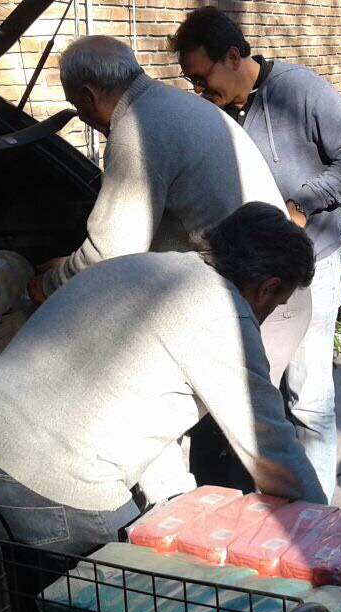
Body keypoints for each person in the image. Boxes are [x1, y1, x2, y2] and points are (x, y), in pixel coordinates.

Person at [0, 202, 327, 571]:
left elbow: (137, 406)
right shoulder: (221, 313)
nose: (267, 316)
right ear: (268, 287)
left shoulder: (148, 266)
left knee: (36, 605)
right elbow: (270, 446)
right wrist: (325, 539)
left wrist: (176, 501)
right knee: (130, 607)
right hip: (56, 480)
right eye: (277, 304)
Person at [170, 8, 341, 500]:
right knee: (250, 398)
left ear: (233, 56)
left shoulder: (298, 90)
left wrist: (303, 202)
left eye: (203, 78)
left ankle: (318, 512)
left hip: (310, 266)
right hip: (244, 275)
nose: (200, 91)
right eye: (191, 82)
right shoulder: (216, 112)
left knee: (308, 399)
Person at [29, 35, 307, 384]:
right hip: (268, 290)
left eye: (76, 105)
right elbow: (156, 228)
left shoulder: (138, 130)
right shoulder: (170, 104)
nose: (84, 117)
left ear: (89, 95)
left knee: (241, 431)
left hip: (262, 298)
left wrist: (51, 285)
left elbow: (110, 253)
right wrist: (73, 263)